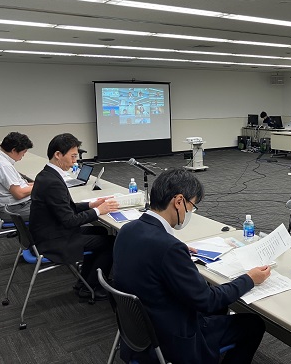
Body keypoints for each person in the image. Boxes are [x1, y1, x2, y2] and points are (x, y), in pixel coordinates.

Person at [113, 168, 270, 364]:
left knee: (220, 307)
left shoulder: (128, 229)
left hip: (141, 331)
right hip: (171, 341)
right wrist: (250, 279)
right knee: (253, 324)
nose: (190, 213)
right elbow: (208, 300)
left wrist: (176, 249)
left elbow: (150, 255)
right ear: (179, 201)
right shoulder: (169, 248)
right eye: (192, 206)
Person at [29, 133, 119, 300]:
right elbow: (69, 220)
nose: (75, 162)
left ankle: (85, 282)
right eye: (73, 157)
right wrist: (99, 211)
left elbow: (64, 208)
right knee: (112, 243)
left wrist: (91, 205)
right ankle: (92, 287)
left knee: (99, 231)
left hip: (49, 231)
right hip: (54, 240)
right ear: (58, 154)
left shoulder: (47, 174)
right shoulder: (53, 182)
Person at [0, 132, 34, 222]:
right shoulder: (4, 165)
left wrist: (37, 184)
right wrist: (41, 185)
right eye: (23, 152)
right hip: (12, 209)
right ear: (14, 150)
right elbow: (19, 194)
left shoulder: (2, 159)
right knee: (54, 211)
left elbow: (19, 185)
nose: (24, 155)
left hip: (14, 206)